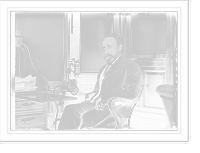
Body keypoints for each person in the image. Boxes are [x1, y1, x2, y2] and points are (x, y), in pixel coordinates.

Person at [58, 33, 142, 129]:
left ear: (120, 47)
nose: (106, 51)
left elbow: (131, 91)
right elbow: (97, 91)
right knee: (70, 109)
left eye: (109, 47)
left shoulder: (131, 66)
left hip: (114, 108)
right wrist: (79, 93)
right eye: (104, 48)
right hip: (96, 104)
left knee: (82, 119)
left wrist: (103, 98)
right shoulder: (104, 68)